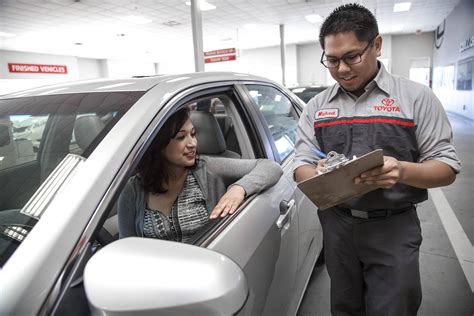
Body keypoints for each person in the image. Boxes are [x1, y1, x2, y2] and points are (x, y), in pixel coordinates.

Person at [293, 3, 461, 316]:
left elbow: (446, 167)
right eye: (331, 60)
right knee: (345, 307)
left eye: (352, 56)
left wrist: (401, 170)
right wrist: (315, 175)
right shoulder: (316, 106)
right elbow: (300, 162)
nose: (342, 69)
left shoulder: (415, 98)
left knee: (393, 308)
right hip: (337, 225)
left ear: (377, 45)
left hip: (393, 226)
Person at [118, 107, 282, 243]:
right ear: (158, 144)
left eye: (193, 134)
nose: (193, 143)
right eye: (181, 137)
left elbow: (270, 167)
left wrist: (239, 189)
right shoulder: (134, 190)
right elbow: (126, 248)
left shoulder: (207, 168)